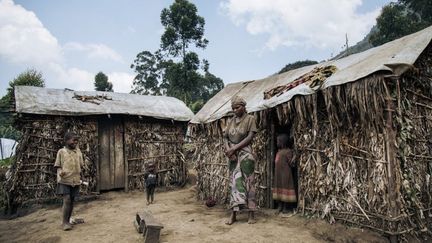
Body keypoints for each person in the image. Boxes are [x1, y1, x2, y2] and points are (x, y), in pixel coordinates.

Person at [224, 96, 258, 225]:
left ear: (244, 106)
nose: (235, 110)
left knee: (249, 183)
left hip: (245, 154)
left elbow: (250, 137)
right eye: (233, 108)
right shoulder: (231, 121)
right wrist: (228, 151)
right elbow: (225, 138)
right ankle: (233, 214)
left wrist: (235, 149)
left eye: (237, 107)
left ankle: (251, 214)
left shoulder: (250, 119)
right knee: (234, 183)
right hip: (232, 156)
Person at [54, 132, 83, 231]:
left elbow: (81, 165)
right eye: (73, 140)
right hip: (64, 180)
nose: (75, 142)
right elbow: (58, 166)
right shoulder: (61, 152)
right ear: (66, 141)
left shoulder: (78, 151)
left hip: (75, 180)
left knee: (72, 200)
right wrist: (60, 171)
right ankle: (64, 222)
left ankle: (69, 219)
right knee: (67, 200)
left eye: (76, 140)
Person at [272, 134, 297, 214]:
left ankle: (286, 207)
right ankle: (280, 206)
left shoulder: (288, 152)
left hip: (286, 174)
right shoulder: (278, 152)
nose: (277, 143)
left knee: (286, 188)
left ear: (282, 143)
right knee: (279, 188)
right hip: (278, 174)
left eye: (278, 141)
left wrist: (294, 158)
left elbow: (291, 163)